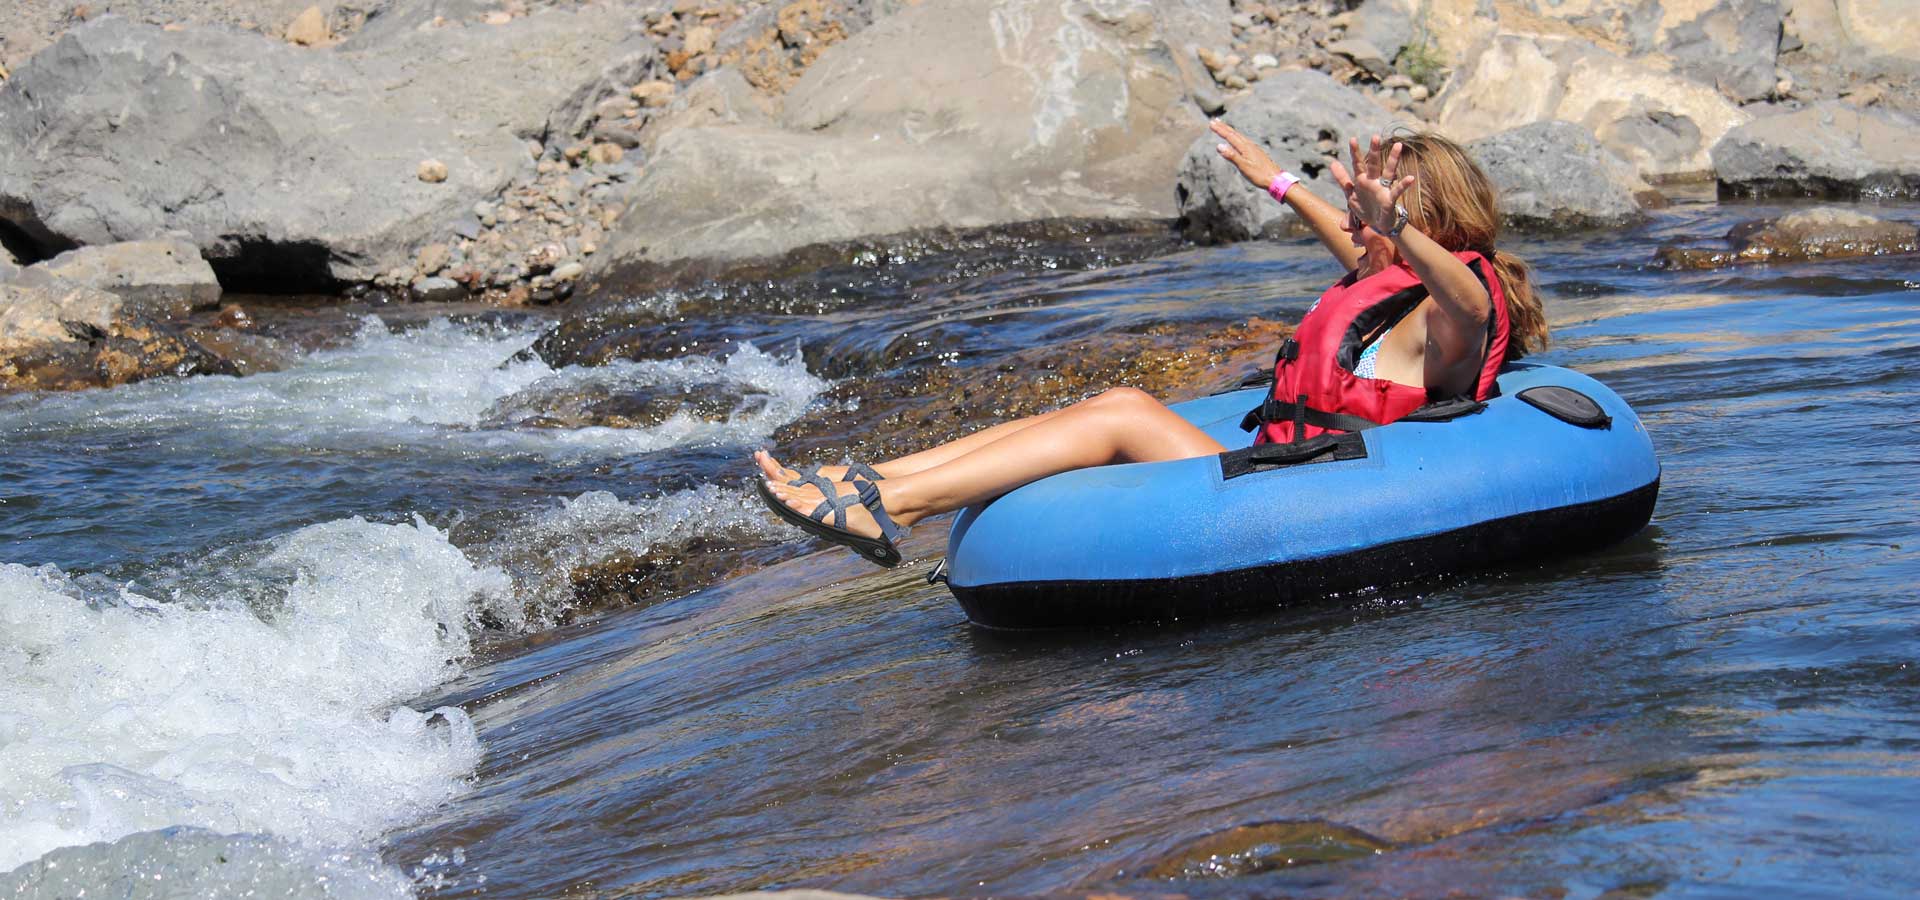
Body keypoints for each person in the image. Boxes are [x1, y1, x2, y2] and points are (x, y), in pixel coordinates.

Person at [753, 121, 1547, 567]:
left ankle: (892, 507)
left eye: (1372, 203)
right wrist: (1277, 181)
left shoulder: (1452, 317)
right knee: (1108, 403)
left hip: (1318, 493)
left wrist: (1396, 224)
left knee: (1125, 412)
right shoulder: (1385, 284)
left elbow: (1470, 302)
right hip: (1284, 469)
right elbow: (1354, 253)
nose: (1354, 213)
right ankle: (870, 482)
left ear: (1422, 219)